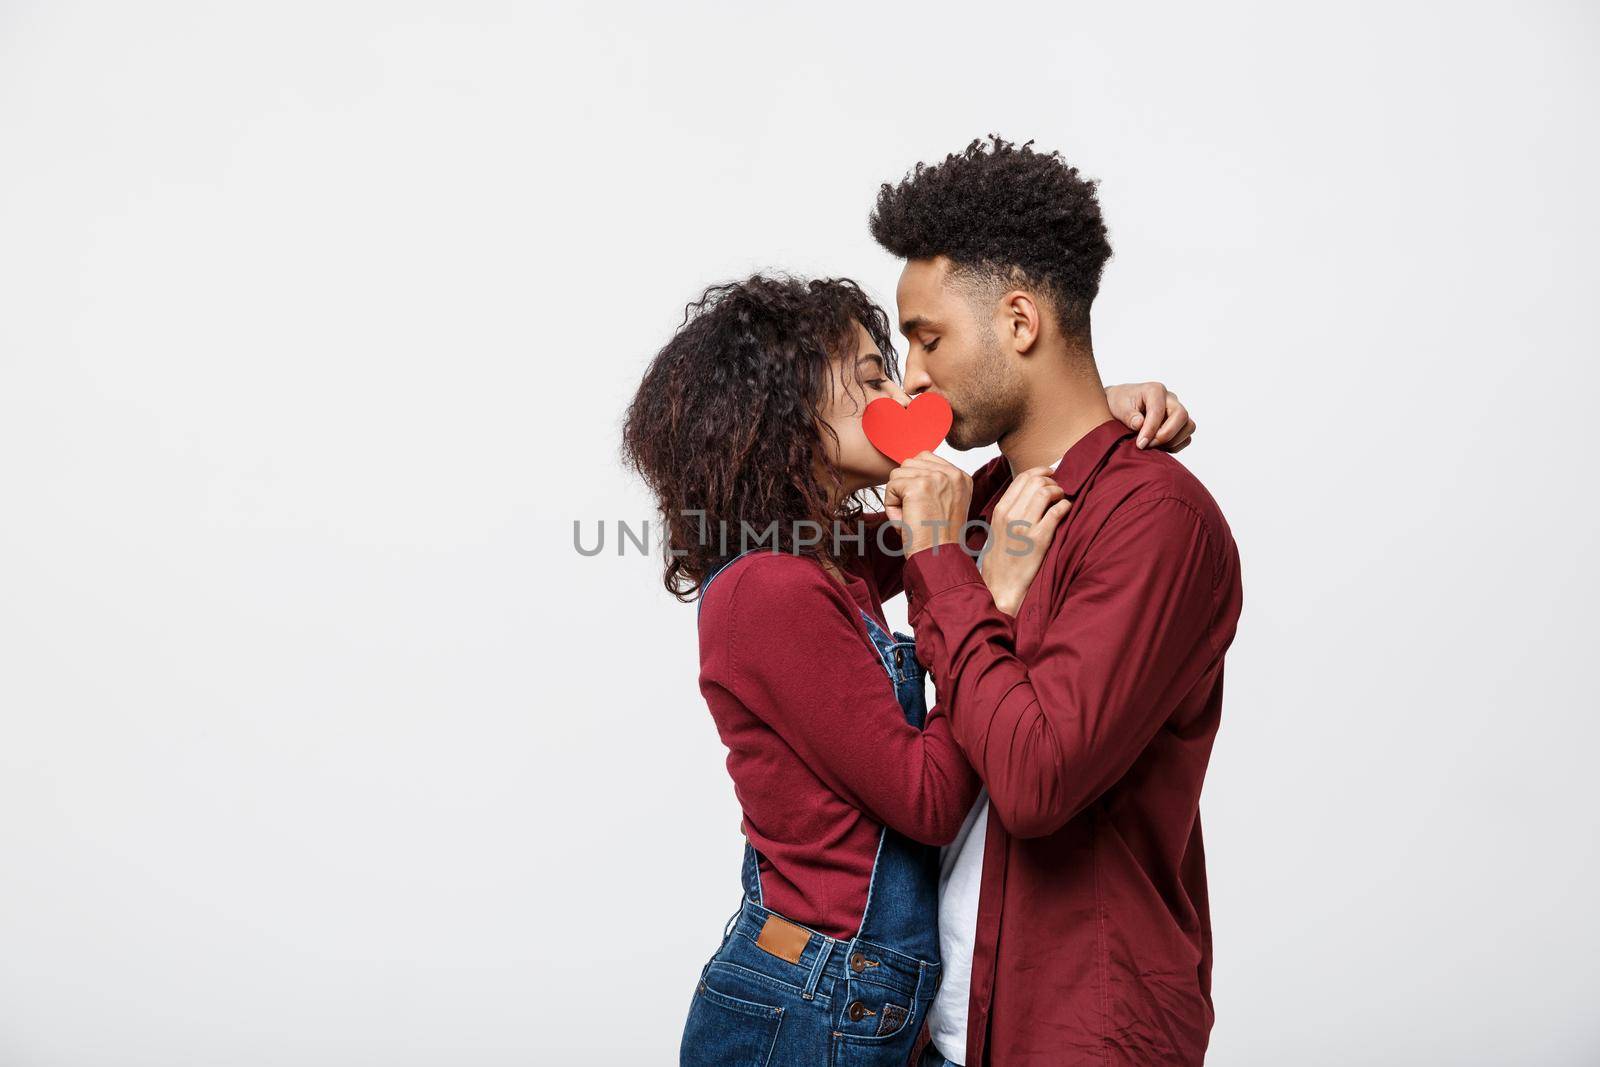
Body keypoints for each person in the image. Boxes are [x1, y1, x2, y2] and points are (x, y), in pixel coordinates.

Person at [621, 274, 1193, 1066]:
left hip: (860, 993)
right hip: (807, 1003)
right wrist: (989, 597)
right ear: (778, 411)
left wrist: (1084, 423)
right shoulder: (769, 588)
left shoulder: (820, 560)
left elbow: (954, 521)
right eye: (869, 377)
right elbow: (928, 800)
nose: (900, 391)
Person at [866, 136, 1244, 1066]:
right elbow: (799, 559)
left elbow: (1037, 780)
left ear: (1021, 321)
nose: (911, 375)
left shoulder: (1157, 519)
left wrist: (950, 572)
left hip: (1077, 1035)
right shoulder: (991, 499)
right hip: (939, 1026)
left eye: (927, 338)